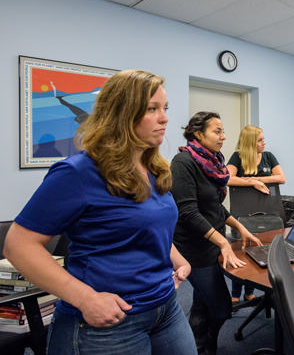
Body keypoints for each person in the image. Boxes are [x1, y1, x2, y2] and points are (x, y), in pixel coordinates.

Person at [4, 70, 197, 355]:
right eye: (152, 109)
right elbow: (18, 246)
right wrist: (85, 298)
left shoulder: (154, 169)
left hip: (165, 307)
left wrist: (178, 260)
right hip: (108, 322)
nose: (165, 118)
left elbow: (146, 228)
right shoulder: (77, 173)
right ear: (122, 114)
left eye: (164, 108)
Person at [171, 112, 262, 355]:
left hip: (212, 244)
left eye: (223, 131)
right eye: (217, 131)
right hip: (194, 250)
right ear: (198, 135)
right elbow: (188, 212)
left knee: (203, 303)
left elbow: (213, 206)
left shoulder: (212, 162)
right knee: (221, 309)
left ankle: (200, 347)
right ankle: (201, 344)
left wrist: (239, 226)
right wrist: (223, 242)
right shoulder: (184, 162)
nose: (223, 136)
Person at [226, 125, 285, 304]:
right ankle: (235, 294)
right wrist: (252, 183)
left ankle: (249, 292)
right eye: (260, 140)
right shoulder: (238, 157)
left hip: (267, 212)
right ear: (250, 143)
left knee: (259, 249)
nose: (264, 143)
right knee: (242, 251)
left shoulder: (268, 157)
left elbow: (281, 178)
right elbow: (228, 178)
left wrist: (254, 179)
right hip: (244, 213)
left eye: (263, 139)